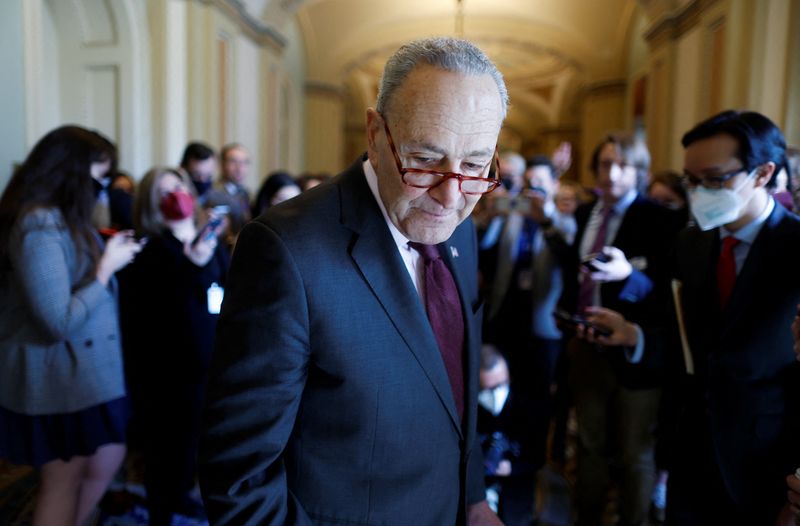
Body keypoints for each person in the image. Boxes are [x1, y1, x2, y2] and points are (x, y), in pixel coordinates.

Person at [199, 36, 507, 525]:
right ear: (374, 133)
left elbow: (451, 385)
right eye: (425, 160)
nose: (451, 199)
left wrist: (471, 499)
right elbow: (240, 479)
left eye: (474, 165)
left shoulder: (461, 233)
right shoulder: (285, 250)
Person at [0, 125, 144, 525]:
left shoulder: (64, 219)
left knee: (106, 457)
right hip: (56, 376)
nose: (101, 188)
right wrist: (105, 269)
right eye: (98, 177)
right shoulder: (38, 226)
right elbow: (56, 321)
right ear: (69, 174)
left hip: (82, 374)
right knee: (62, 479)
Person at [664, 110, 800, 525]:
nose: (699, 192)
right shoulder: (690, 242)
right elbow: (686, 342)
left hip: (768, 457)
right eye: (691, 180)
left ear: (763, 174)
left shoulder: (796, 247)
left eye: (715, 179)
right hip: (691, 449)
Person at [557, 133, 683, 526]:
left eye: (622, 165)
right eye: (605, 164)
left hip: (636, 353)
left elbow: (669, 292)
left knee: (635, 454)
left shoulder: (659, 218)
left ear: (639, 171)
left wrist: (628, 274)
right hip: (586, 345)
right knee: (590, 445)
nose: (612, 173)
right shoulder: (584, 213)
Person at [118, 167, 229, 525]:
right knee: (166, 452)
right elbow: (154, 310)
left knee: (200, 448)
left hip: (211, 362)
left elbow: (226, 289)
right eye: (163, 192)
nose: (175, 195)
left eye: (178, 186)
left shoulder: (207, 240)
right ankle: (162, 512)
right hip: (165, 373)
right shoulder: (148, 249)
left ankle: (182, 497)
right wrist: (190, 264)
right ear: (151, 203)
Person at [477, 345, 538, 526]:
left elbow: (537, 457)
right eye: (489, 389)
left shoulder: (527, 407)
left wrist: (511, 468)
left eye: (501, 385)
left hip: (514, 479)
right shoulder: (467, 412)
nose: (496, 394)